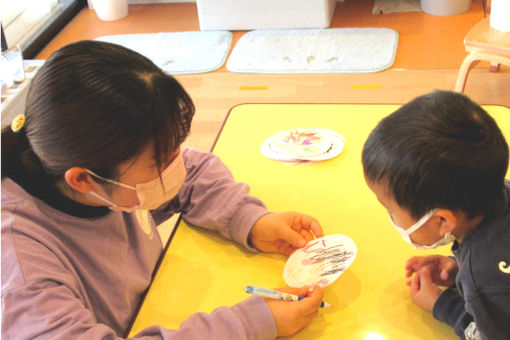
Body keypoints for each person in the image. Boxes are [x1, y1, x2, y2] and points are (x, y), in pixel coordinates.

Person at [1, 40, 325, 339]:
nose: (177, 165)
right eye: (160, 161)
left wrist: (250, 220)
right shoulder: (24, 277)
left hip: (160, 302)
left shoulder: (96, 171)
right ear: (84, 180)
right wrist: (246, 325)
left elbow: (195, 171)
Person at [361, 90, 510, 340]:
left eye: (391, 211)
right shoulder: (499, 188)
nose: (391, 218)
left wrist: (444, 305)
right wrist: (458, 269)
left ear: (443, 220)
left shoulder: (484, 283)